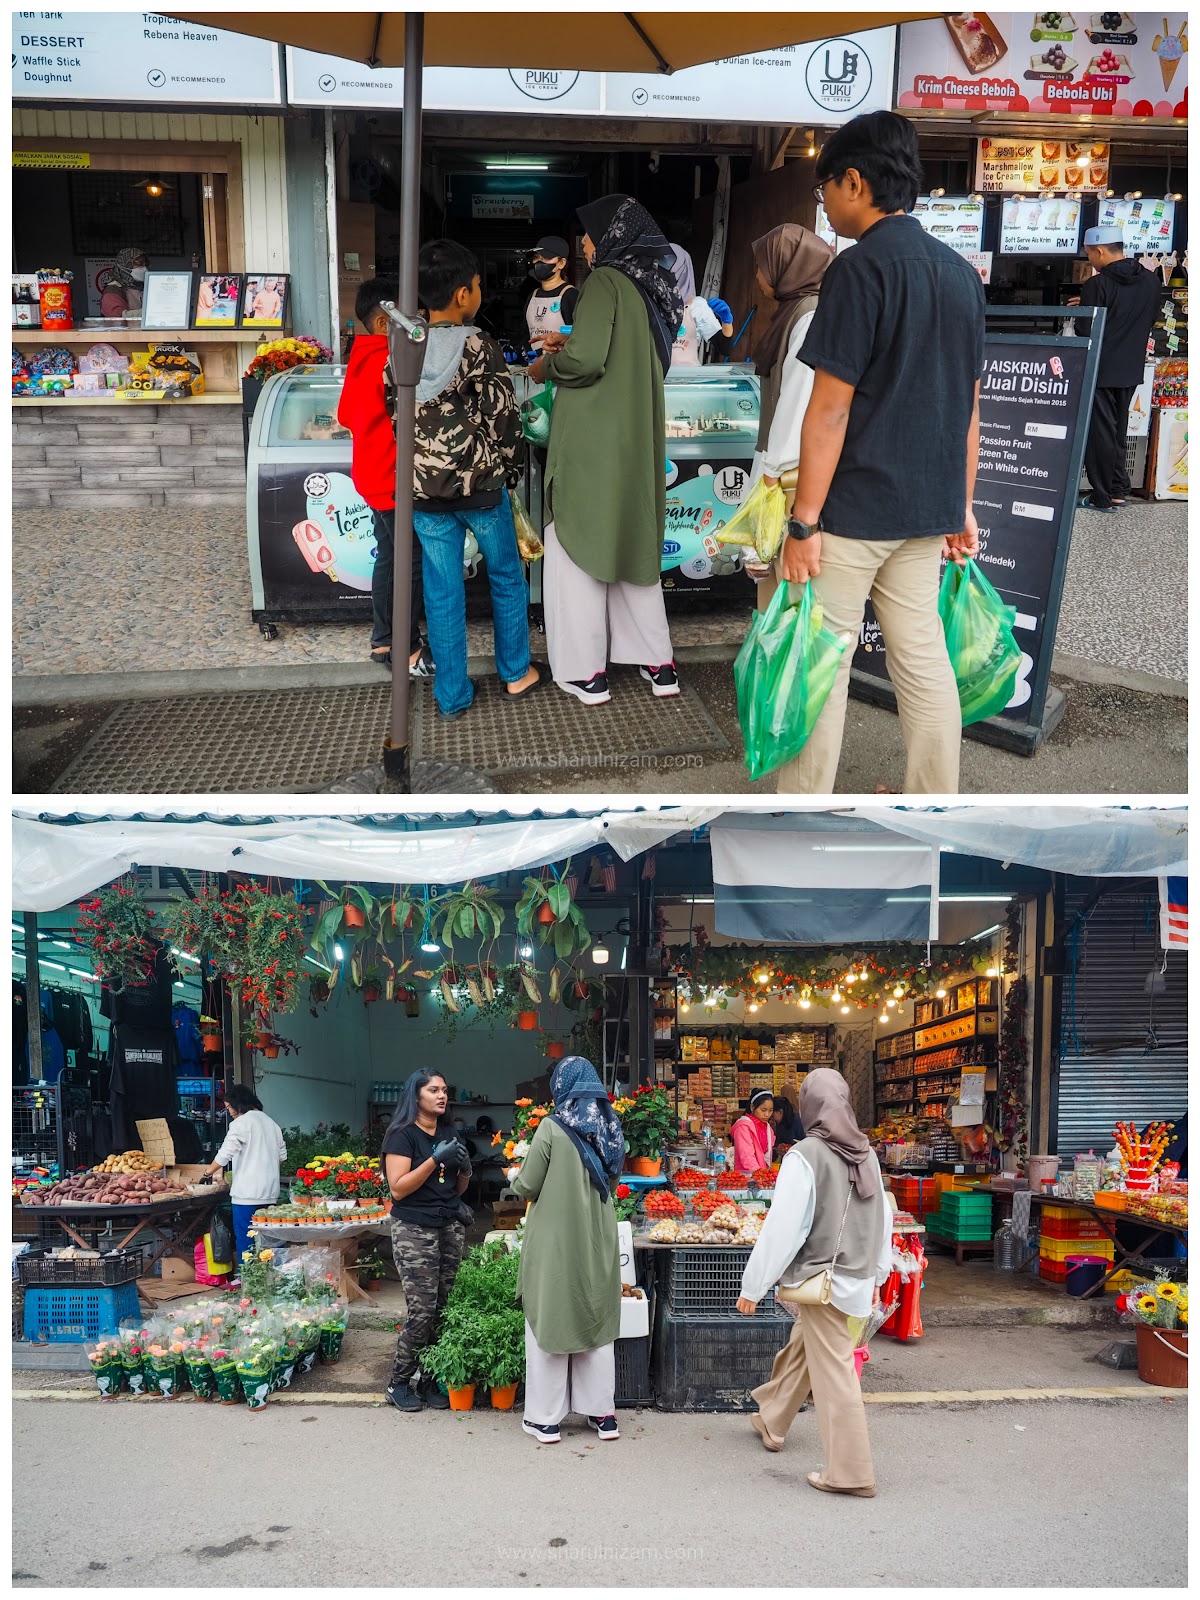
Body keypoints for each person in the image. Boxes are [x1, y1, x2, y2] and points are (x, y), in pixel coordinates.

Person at [777, 110, 986, 796]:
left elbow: (830, 409)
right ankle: (937, 800)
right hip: (927, 510)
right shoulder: (960, 275)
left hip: (855, 513)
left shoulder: (856, 272)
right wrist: (963, 505)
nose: (826, 203)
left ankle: (801, 809)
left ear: (856, 183)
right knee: (922, 658)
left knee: (824, 663)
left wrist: (803, 523)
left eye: (826, 188)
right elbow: (969, 408)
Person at [528, 195, 683, 707]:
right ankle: (659, 667)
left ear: (613, 237)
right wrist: (567, 345)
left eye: (590, 236)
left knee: (575, 549)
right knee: (631, 546)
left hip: (592, 441)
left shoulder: (603, 282)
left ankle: (587, 674)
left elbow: (588, 361)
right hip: (634, 437)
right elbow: (616, 354)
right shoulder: (649, 288)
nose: (586, 247)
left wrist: (546, 367)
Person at [737, 1067, 892, 1496]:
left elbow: (784, 1228)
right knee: (805, 1347)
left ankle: (851, 1472)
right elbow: (884, 1218)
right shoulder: (867, 1153)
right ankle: (773, 1420)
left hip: (824, 1280)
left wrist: (754, 1285)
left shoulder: (805, 1155)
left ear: (808, 1106)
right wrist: (879, 1272)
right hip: (856, 1279)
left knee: (836, 1371)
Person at [412, 239, 544, 719]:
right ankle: (514, 674)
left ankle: (451, 694)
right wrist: (508, 471)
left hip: (424, 492)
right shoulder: (478, 345)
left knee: (441, 591)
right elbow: (504, 418)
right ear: (465, 293)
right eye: (478, 285)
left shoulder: (402, 345)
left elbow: (394, 415)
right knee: (507, 577)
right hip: (482, 490)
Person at [510, 1056, 625, 1444]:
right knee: (595, 1316)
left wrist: (512, 1172)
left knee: (551, 1319)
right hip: (598, 1236)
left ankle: (545, 1419)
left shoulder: (551, 1128)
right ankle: (603, 1416)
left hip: (557, 1241)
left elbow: (526, 1186)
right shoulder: (610, 1127)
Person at [337, 278, 434, 678]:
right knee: (407, 564)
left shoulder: (362, 355)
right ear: (383, 322)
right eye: (411, 315)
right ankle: (407, 649)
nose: (420, 322)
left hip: (371, 475)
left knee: (389, 558)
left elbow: (345, 416)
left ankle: (382, 639)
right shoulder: (391, 362)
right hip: (393, 480)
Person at [743, 223, 836, 598]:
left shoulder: (808, 316)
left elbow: (797, 404)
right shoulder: (796, 310)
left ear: (787, 267)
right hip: (783, 470)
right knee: (774, 594)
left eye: (762, 265)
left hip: (791, 478)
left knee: (785, 595)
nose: (758, 275)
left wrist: (766, 481)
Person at [382, 1068, 471, 1413]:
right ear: (415, 1095)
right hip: (414, 1229)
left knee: (442, 1309)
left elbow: (458, 1188)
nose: (441, 1095)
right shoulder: (402, 1136)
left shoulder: (449, 1132)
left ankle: (430, 1378)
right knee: (421, 1312)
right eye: (433, 1090)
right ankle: (398, 1382)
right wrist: (435, 1159)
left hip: (448, 1225)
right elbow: (398, 1187)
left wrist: (464, 1169)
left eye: (444, 1090)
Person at [1070, 225, 1163, 512]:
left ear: (1099, 250)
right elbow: (1148, 318)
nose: (1090, 261)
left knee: (1100, 435)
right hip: (1131, 368)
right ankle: (1119, 489)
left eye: (1089, 255)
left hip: (1101, 370)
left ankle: (1103, 496)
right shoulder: (1150, 281)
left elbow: (1088, 328)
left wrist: (1083, 308)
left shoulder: (1097, 285)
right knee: (1119, 429)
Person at [197, 1084, 287, 1275]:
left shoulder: (241, 1124)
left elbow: (224, 1155)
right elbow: (281, 1158)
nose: (229, 1112)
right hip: (270, 1192)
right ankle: (275, 1277)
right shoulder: (272, 1124)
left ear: (239, 1104)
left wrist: (206, 1173)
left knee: (245, 1238)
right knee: (269, 1237)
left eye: (229, 1107)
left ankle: (248, 1279)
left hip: (246, 1193)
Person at [667, 242, 734, 366]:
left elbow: (725, 348)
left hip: (688, 382)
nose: (667, 270)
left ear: (684, 269)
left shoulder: (697, 306)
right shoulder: (649, 302)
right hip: (654, 381)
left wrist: (726, 321)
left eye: (670, 264)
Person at [525, 235, 578, 354]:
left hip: (560, 367)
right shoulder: (532, 296)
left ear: (561, 263)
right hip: (534, 366)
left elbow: (581, 338)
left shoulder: (570, 295)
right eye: (536, 257)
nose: (538, 262)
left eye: (545, 258)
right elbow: (525, 335)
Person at [731, 1089, 776, 1174]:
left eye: (770, 1110)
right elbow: (747, 1156)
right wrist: (759, 1174)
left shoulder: (767, 1128)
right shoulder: (743, 1126)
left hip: (761, 1175)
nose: (767, 1114)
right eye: (763, 1110)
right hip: (745, 1176)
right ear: (752, 1107)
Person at [99, 248, 147, 318]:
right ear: (125, 264)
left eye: (144, 264)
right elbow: (116, 316)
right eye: (138, 263)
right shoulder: (113, 290)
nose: (143, 268)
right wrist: (147, 313)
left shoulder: (144, 288)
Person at [772, 1089, 804, 1155]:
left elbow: (804, 1144)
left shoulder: (797, 1122)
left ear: (779, 1112)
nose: (769, 1116)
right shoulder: (779, 1123)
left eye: (771, 1112)